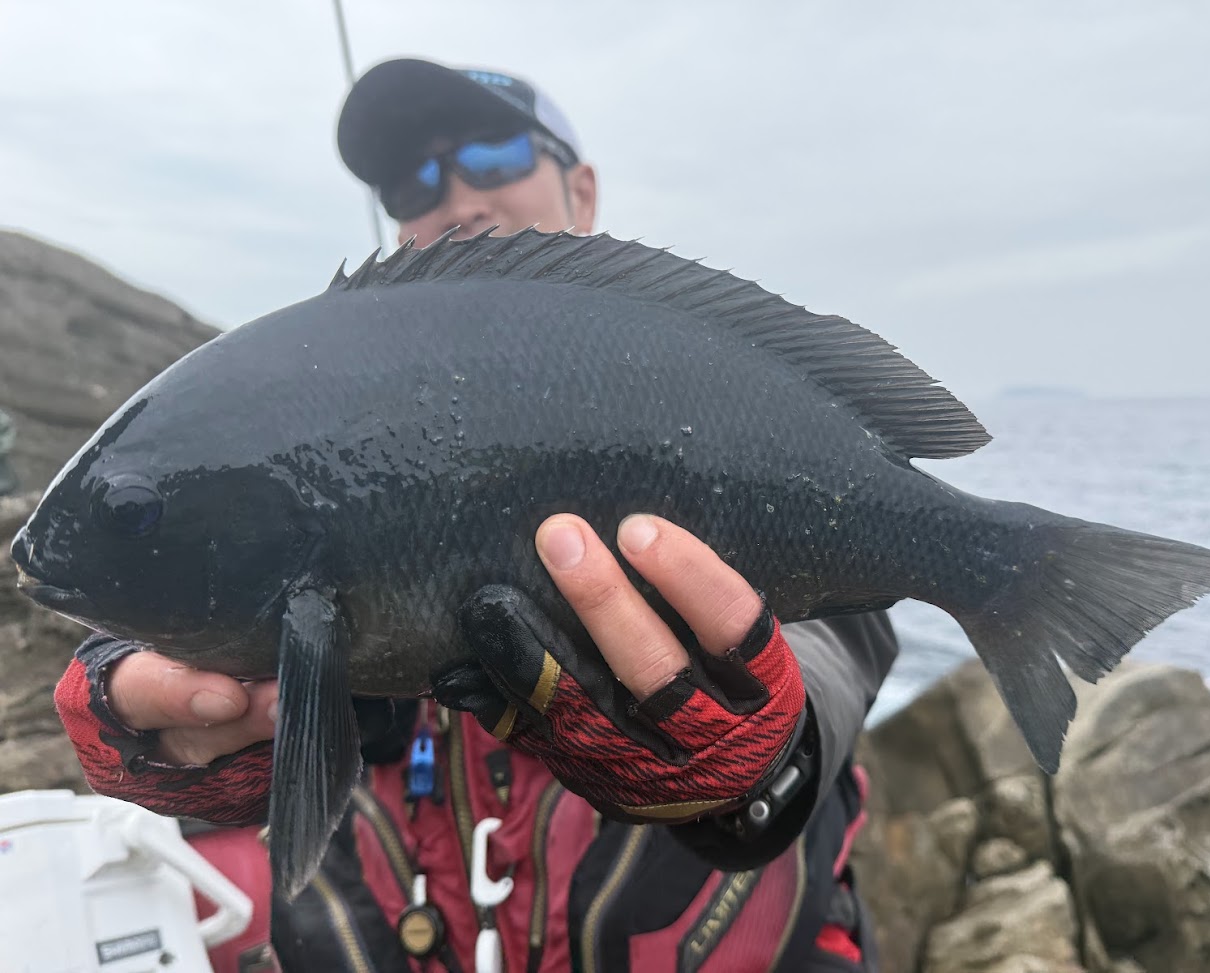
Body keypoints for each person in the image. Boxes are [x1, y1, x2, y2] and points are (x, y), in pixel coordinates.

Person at [54, 58, 899, 972]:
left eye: (496, 155)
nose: (458, 197)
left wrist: (771, 750)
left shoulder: (699, 381)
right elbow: (268, 619)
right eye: (413, 182)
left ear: (582, 188)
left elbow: (839, 639)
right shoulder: (349, 410)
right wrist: (154, 705)